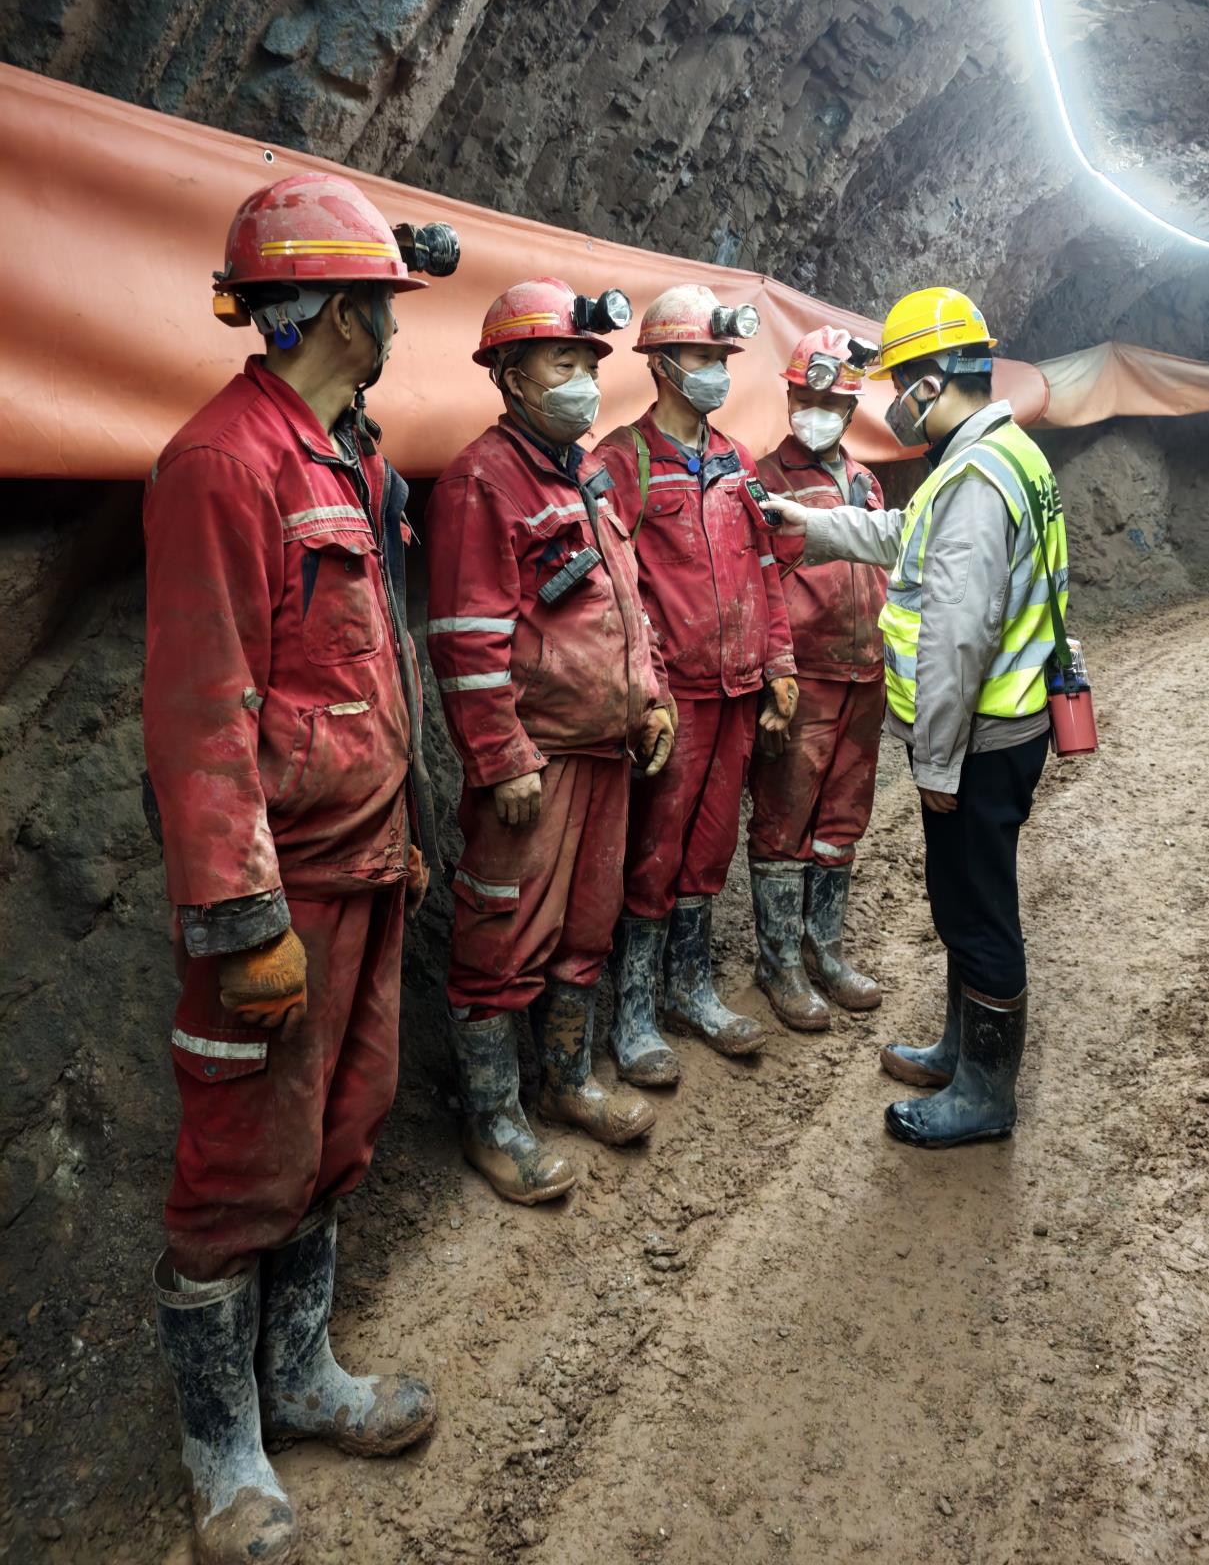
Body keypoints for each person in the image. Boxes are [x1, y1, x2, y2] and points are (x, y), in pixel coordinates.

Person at [143, 173, 445, 1565]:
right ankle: (223, 1455)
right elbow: (202, 708)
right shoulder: (224, 463)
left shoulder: (347, 459)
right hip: (281, 893)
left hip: (364, 864)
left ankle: (303, 1376)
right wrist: (242, 916)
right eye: (380, 298)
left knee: (339, 1127)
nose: (392, 320)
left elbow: (374, 671)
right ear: (331, 311)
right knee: (238, 1165)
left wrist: (409, 826)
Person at [767, 287, 1067, 1149]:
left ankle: (984, 1094)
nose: (894, 401)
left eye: (901, 383)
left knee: (976, 910)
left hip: (981, 738)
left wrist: (936, 763)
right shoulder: (1006, 455)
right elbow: (911, 533)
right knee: (967, 901)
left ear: (933, 381)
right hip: (1008, 727)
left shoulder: (974, 476)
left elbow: (957, 638)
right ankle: (959, 1052)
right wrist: (815, 524)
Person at [426, 280, 676, 1205]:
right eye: (561, 362)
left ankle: (568, 1081)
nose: (582, 381)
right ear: (510, 375)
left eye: (588, 364)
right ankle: (494, 1120)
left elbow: (627, 604)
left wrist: (650, 699)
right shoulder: (481, 482)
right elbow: (465, 637)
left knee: (586, 928)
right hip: (536, 763)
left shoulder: (585, 476)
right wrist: (500, 758)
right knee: (502, 939)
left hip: (606, 750)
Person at [596, 284, 798, 1085]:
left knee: (710, 848)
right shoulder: (623, 461)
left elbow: (765, 568)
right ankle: (635, 1014)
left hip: (738, 691)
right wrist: (647, 691)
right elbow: (615, 592)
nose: (716, 369)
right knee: (654, 852)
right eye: (703, 356)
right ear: (663, 364)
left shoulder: (737, 462)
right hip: (673, 701)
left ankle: (689, 990)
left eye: (722, 357)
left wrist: (779, 665)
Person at [747, 326, 886, 1031]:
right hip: (805, 679)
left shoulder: (865, 481)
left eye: (831, 401)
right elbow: (756, 586)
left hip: (867, 674)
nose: (816, 410)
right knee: (784, 819)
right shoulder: (764, 480)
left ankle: (823, 950)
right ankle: (779, 964)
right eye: (805, 397)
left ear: (852, 407)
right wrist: (774, 675)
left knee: (841, 822)